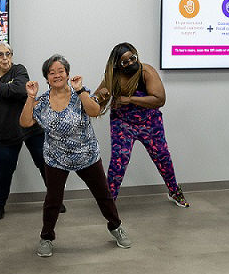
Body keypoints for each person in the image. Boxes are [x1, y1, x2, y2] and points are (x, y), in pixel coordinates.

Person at [20, 54, 132, 257]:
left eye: (61, 71)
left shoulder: (80, 94)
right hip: (56, 158)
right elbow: (26, 122)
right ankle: (46, 237)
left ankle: (116, 227)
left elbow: (95, 111)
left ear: (67, 74)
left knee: (103, 195)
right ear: (46, 78)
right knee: (53, 200)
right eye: (52, 72)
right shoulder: (42, 102)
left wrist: (80, 90)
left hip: (86, 155)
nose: (57, 75)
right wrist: (30, 96)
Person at [0, 42, 65, 219]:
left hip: (31, 128)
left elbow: (20, 89)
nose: (5, 58)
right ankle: (0, 205)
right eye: (0, 55)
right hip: (5, 134)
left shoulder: (18, 71)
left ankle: (56, 200)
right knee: (4, 171)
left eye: (8, 54)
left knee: (44, 163)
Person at [93, 43, 188, 207]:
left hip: (150, 123)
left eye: (132, 58)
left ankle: (174, 191)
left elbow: (159, 99)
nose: (130, 62)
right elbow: (94, 103)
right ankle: (109, 202)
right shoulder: (112, 76)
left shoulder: (146, 72)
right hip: (122, 123)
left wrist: (129, 99)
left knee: (162, 157)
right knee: (118, 161)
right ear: (117, 64)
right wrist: (98, 97)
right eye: (125, 61)